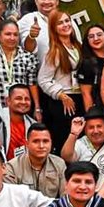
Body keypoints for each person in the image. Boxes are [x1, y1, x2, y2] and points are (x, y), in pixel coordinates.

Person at [38, 10, 85, 152]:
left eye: (67, 21)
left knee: (80, 143)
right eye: (60, 23)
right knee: (65, 141)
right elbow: (43, 79)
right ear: (54, 28)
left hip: (80, 97)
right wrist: (61, 95)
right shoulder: (55, 51)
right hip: (64, 102)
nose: (65, 25)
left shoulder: (78, 46)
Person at [61, 106, 104, 185]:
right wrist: (73, 133)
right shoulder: (81, 143)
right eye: (91, 127)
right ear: (85, 130)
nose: (96, 131)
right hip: (84, 188)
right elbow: (66, 157)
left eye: (99, 126)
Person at [18, 0, 79, 65]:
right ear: (36, 1)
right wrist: (31, 36)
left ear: (57, 1)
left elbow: (78, 45)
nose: (46, 2)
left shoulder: (67, 20)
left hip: (72, 71)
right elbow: (27, 50)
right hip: (42, 71)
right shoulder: (28, 20)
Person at [4, 123, 67, 198]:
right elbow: (11, 199)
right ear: (27, 144)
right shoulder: (12, 167)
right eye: (36, 141)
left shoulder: (59, 164)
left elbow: (65, 197)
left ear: (51, 143)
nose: (41, 146)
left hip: (53, 205)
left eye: (45, 141)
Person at [0, 84, 36, 161]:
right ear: (8, 101)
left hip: (22, 166)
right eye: (18, 98)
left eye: (27, 99)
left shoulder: (33, 125)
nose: (23, 102)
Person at [77, 24, 104, 110]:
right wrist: (92, 115)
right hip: (103, 108)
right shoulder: (86, 63)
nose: (96, 39)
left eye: (99, 35)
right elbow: (86, 94)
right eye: (91, 36)